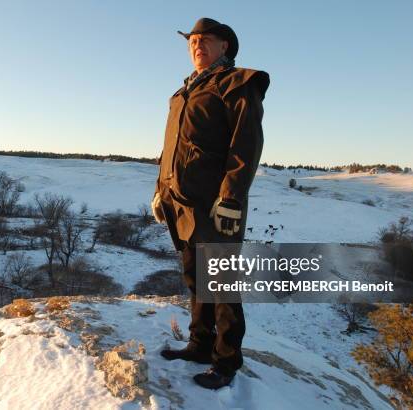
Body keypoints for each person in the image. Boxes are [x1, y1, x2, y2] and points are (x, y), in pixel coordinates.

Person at [151, 17, 270, 389]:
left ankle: (226, 361)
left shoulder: (238, 83)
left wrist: (231, 197)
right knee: (195, 278)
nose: (197, 46)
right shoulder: (182, 93)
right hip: (181, 201)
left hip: (215, 203)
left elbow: (245, 144)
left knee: (222, 286)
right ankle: (199, 345)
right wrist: (161, 189)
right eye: (193, 41)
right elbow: (170, 149)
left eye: (206, 40)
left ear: (225, 47)